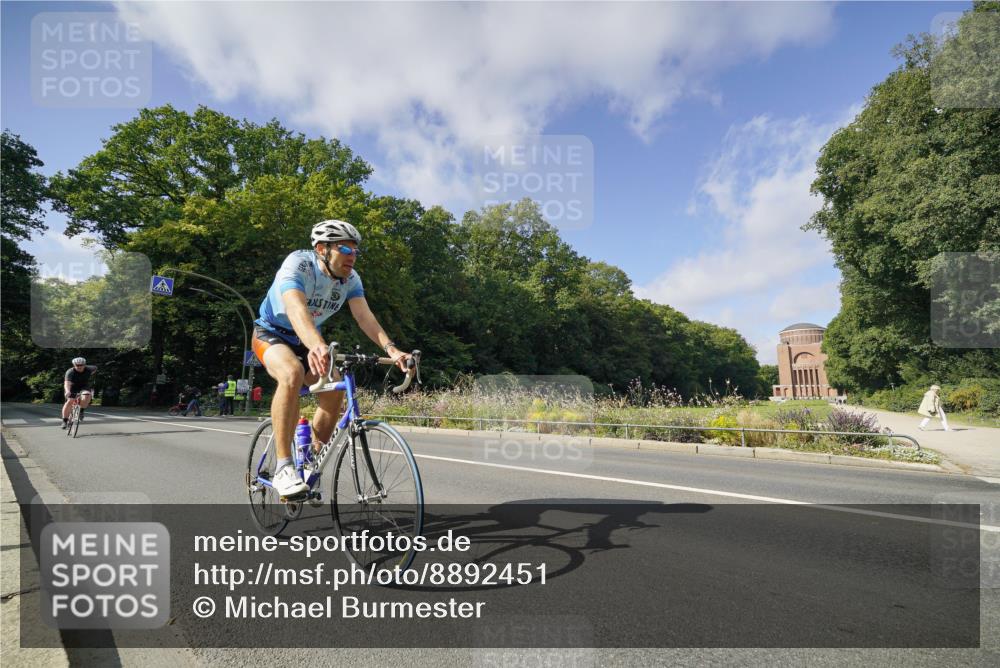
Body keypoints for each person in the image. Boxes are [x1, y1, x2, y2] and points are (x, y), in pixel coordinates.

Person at [252, 219, 412, 497]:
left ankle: (310, 459)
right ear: (322, 249)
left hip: (307, 341)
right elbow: (295, 308)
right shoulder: (298, 264)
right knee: (291, 373)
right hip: (271, 334)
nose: (352, 256)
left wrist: (392, 349)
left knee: (335, 392)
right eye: (345, 249)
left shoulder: (351, 279)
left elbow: (364, 317)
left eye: (355, 250)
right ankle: (284, 467)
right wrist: (316, 344)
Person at [62, 357, 97, 429]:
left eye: (81, 365)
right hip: (72, 386)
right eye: (77, 365)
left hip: (84, 386)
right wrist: (67, 391)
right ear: (74, 365)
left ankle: (81, 411)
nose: (79, 367)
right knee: (70, 401)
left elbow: (95, 368)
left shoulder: (90, 369)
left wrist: (91, 374)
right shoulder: (70, 372)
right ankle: (64, 421)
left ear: (84, 365)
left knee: (87, 395)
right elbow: (67, 383)